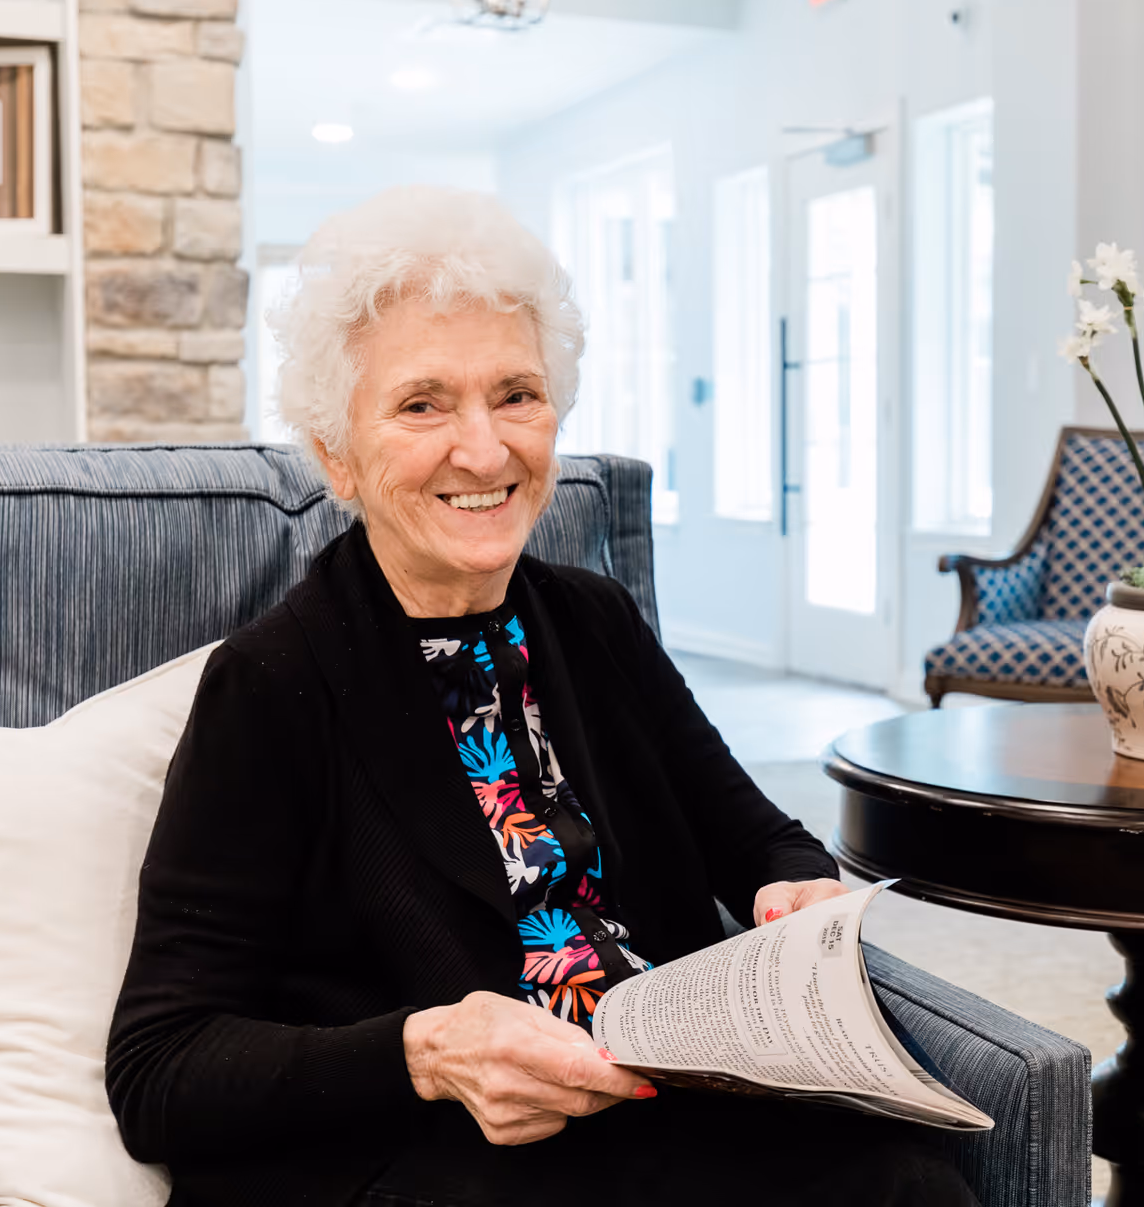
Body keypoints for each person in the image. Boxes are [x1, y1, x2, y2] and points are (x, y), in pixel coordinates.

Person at [106, 186, 977, 1207]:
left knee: (908, 1179)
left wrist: (796, 892)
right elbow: (161, 1065)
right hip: (423, 1145)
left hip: (645, 1097)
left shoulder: (594, 619)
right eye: (422, 403)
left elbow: (756, 836)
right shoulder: (271, 682)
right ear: (336, 454)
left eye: (514, 393)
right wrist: (426, 1052)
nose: (483, 449)